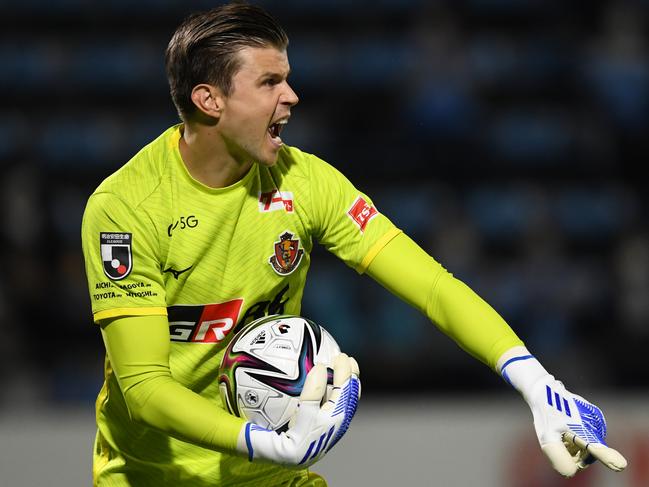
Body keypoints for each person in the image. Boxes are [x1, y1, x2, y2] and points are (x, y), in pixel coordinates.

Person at [81, 4, 627, 486]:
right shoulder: (125, 209)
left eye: (287, 78)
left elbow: (434, 287)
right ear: (209, 100)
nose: (291, 96)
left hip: (267, 479)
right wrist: (269, 441)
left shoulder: (307, 182)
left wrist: (538, 384)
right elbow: (145, 388)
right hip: (151, 476)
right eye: (269, 82)